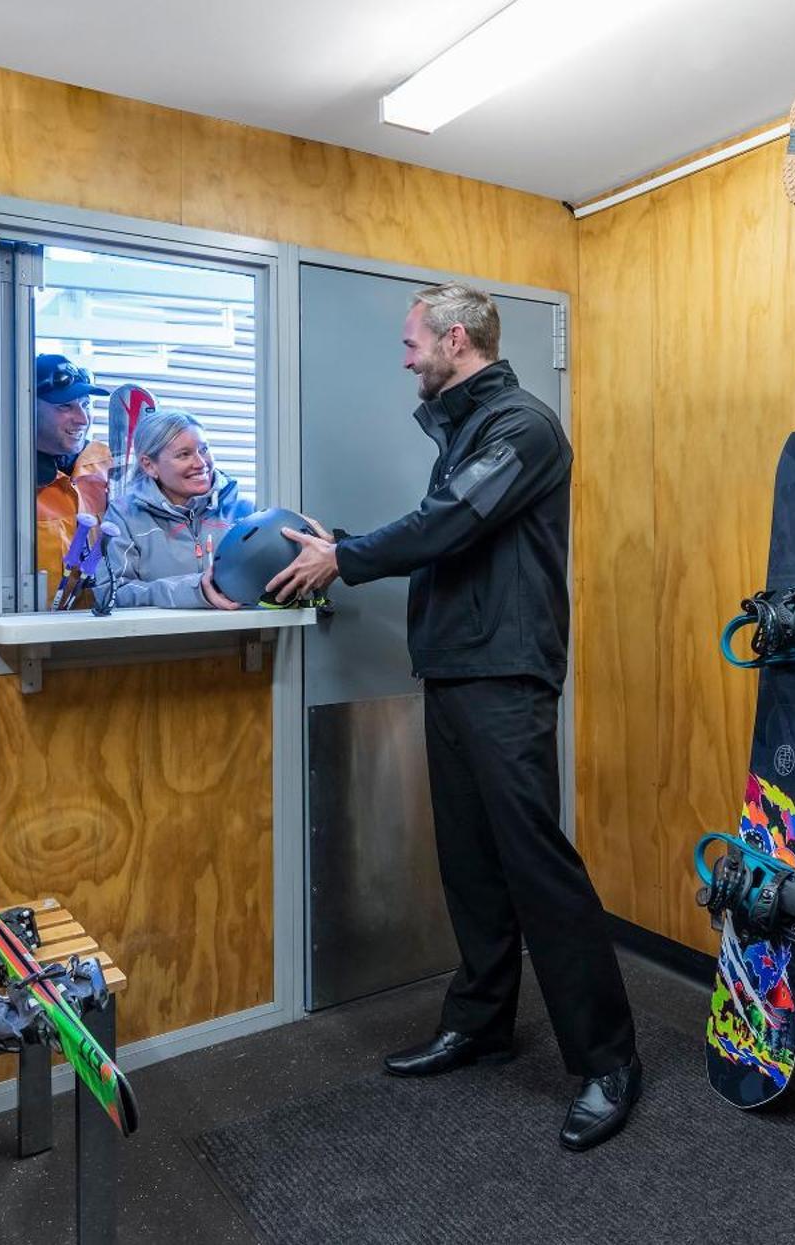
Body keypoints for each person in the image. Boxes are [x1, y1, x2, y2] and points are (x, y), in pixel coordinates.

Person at [265, 282, 640, 1151]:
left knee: (537, 867)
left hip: (507, 676)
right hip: (458, 670)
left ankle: (608, 1060)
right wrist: (344, 546)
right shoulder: (465, 429)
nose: (404, 358)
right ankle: (480, 1023)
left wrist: (345, 558)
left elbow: (450, 522)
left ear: (457, 340)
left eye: (411, 343)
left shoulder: (523, 428)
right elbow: (447, 531)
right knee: (470, 865)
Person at [102, 410, 254, 608]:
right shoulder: (124, 516)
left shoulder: (243, 510)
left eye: (204, 449)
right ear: (149, 466)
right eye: (184, 455)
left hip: (243, 636)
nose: (201, 463)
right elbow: (112, 593)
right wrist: (193, 591)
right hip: (161, 638)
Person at [34, 353, 111, 576]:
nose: (83, 419)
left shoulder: (106, 463)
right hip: (36, 611)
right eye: (65, 406)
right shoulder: (10, 476)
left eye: (86, 404)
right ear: (28, 408)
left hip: (107, 610)